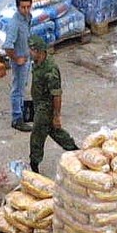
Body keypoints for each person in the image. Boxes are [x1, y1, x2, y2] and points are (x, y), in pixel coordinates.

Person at [27, 36, 79, 175]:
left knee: (37, 136)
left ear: (39, 51)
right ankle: (76, 151)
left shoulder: (50, 70)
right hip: (38, 104)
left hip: (46, 108)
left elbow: (57, 95)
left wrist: (56, 116)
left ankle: (34, 165)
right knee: (54, 132)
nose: (29, 52)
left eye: (32, 50)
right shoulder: (37, 62)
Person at [5, 0, 34, 132]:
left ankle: (22, 110)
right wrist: (17, 58)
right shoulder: (14, 23)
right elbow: (7, 46)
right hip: (19, 61)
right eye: (23, 7)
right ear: (18, 7)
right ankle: (17, 119)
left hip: (27, 58)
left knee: (23, 86)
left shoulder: (28, 18)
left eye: (28, 7)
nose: (26, 10)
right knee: (18, 89)